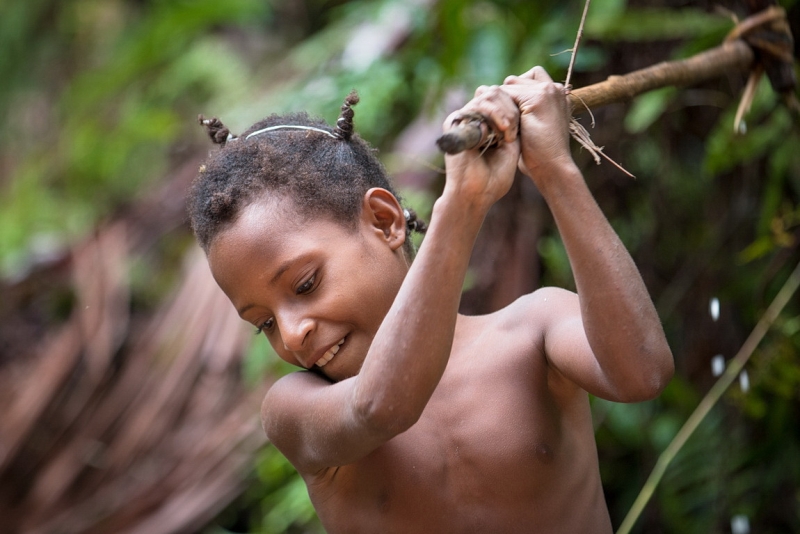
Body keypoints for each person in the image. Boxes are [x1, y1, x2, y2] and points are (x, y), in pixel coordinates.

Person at [188, 66, 674, 533]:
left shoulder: (535, 330)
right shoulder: (296, 411)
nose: (293, 334)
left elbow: (643, 370)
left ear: (384, 221)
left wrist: (555, 171)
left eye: (306, 284)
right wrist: (460, 205)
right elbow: (380, 408)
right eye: (264, 323)